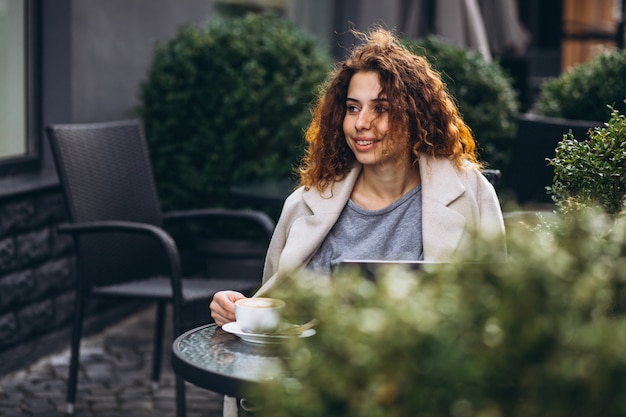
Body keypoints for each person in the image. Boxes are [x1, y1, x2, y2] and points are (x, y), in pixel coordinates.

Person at [212, 25, 506, 417]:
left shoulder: (470, 194)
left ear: (415, 115)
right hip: (312, 391)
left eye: (380, 108)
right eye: (353, 108)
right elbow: (280, 310)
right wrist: (239, 308)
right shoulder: (306, 204)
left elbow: (495, 309)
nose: (361, 123)